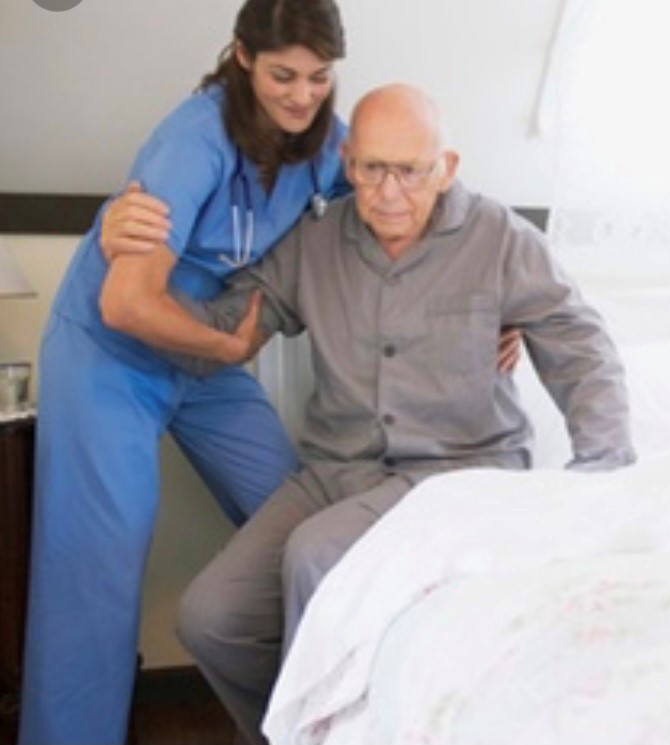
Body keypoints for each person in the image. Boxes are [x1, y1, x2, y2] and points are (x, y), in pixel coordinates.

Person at [132, 82, 637, 745]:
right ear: (348, 162)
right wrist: (138, 275)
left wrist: (604, 470)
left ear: (446, 167)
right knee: (210, 618)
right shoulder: (315, 242)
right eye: (372, 169)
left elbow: (580, 350)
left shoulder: (501, 239)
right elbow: (231, 324)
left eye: (410, 171)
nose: (388, 191)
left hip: (459, 468)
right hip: (335, 472)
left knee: (315, 554)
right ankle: (292, 733)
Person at [18, 2, 349, 743]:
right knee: (96, 572)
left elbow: (408, 195)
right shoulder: (194, 139)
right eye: (283, 76)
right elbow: (126, 302)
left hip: (201, 351)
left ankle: (313, 718)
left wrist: (503, 302)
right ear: (243, 58)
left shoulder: (327, 138)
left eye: (319, 77)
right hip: (111, 354)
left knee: (299, 523)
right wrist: (227, 350)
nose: (302, 96)